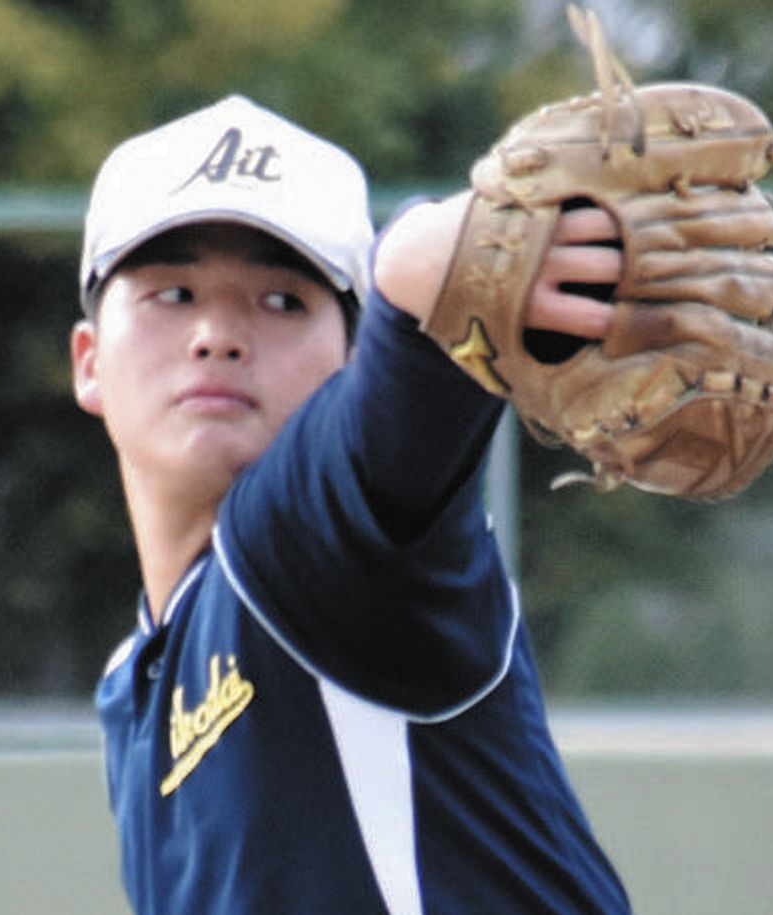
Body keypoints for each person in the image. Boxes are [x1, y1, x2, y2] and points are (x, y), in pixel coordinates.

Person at [71, 93, 631, 914]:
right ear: (88, 361)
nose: (217, 334)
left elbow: (404, 363)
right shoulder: (136, 676)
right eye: (174, 293)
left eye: (282, 301)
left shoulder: (311, 540)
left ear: (347, 360)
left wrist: (429, 265)